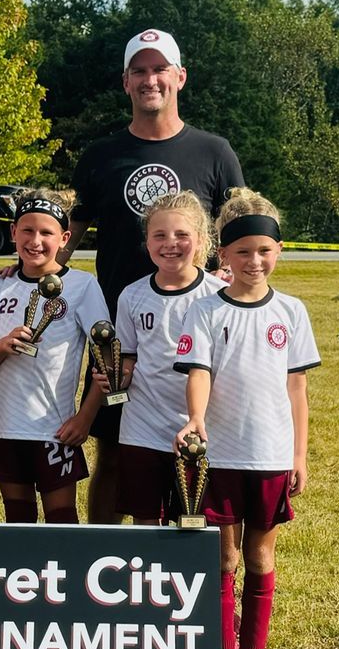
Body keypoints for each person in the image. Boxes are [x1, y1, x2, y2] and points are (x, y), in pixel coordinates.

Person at [67, 28, 244, 522]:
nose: (151, 79)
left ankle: (186, 564)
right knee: (116, 453)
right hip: (121, 331)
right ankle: (100, 563)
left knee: (196, 444)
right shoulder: (101, 155)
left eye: (160, 69)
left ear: (180, 77)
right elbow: (71, 232)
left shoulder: (213, 152)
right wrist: (25, 271)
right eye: (140, 71)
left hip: (199, 327)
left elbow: (240, 228)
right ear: (126, 82)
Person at [175, 190, 317, 649]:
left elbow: (297, 389)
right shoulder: (206, 312)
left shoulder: (293, 311)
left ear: (277, 252)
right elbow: (199, 372)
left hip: (272, 457)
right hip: (221, 457)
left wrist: (299, 455)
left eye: (264, 250)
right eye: (242, 252)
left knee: (260, 555)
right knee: (223, 556)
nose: (254, 262)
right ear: (223, 257)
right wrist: (196, 418)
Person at [0, 194, 109, 523]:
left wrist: (85, 417)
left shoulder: (81, 285)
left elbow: (105, 357)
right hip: (5, 426)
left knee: (62, 518)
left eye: (47, 233)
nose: (36, 241)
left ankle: (67, 576)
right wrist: (5, 345)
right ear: (13, 232)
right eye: (28, 231)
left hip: (54, 427)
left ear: (64, 239)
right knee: (17, 519)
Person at [103, 192, 224, 525]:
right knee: (146, 524)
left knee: (197, 525)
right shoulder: (132, 294)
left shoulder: (216, 296)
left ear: (200, 240)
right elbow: (127, 357)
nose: (171, 243)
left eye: (182, 235)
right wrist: (116, 377)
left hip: (201, 428)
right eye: (160, 235)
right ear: (147, 241)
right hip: (142, 427)